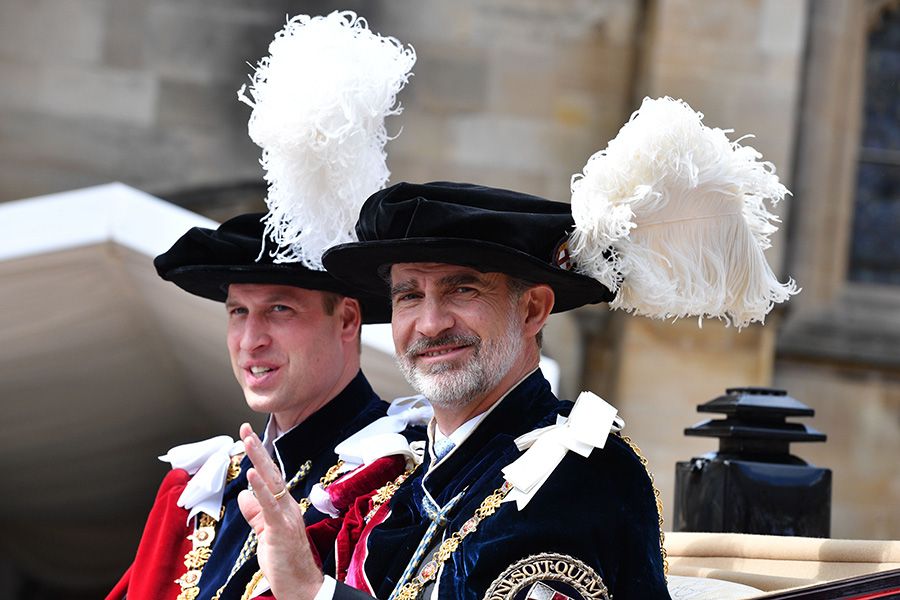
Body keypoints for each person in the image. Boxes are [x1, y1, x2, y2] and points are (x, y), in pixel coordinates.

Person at [235, 183, 672, 600]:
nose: (430, 323)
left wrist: (312, 592)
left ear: (532, 309)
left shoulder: (584, 475)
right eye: (408, 296)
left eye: (462, 289)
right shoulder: (400, 478)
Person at [107, 213, 416, 600]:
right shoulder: (202, 488)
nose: (250, 340)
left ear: (347, 319)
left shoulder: (406, 472)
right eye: (238, 311)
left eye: (279, 309)